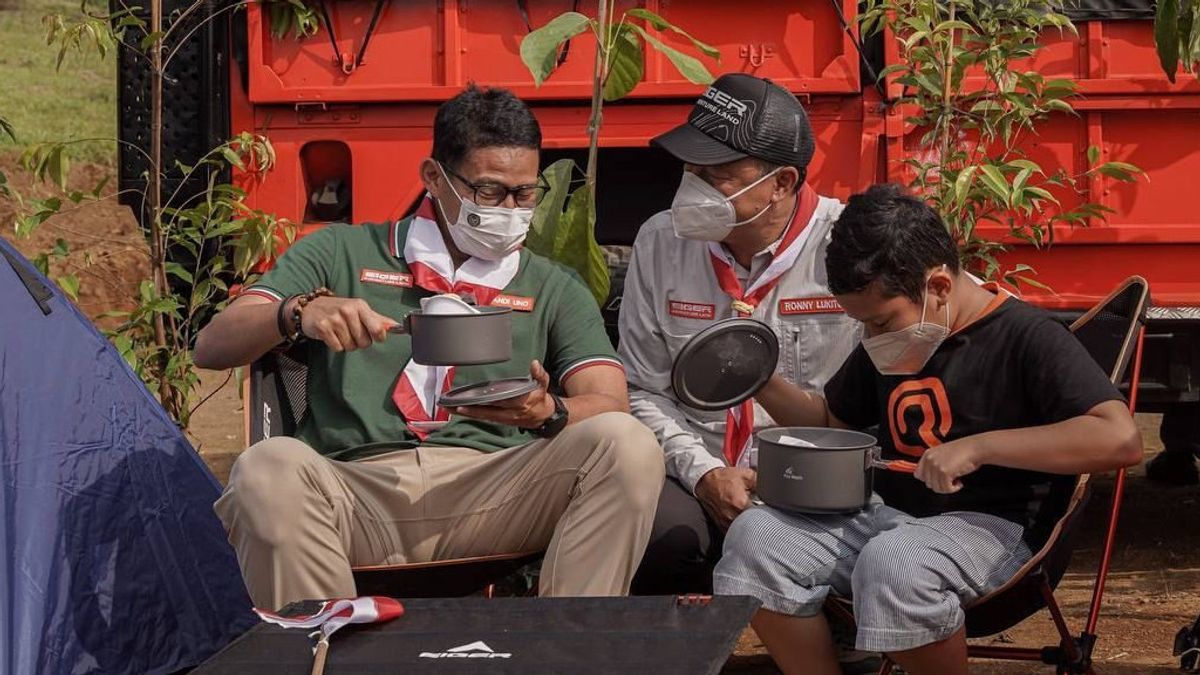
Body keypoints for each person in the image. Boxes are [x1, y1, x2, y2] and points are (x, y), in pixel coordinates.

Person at [194, 84, 664, 610]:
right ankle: (322, 650)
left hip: (496, 491)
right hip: (354, 490)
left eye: (525, 193)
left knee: (627, 445)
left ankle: (567, 651)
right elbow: (212, 345)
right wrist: (298, 312)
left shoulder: (551, 285)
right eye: (489, 192)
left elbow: (609, 401)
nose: (510, 209)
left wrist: (549, 411)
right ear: (434, 178)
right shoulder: (339, 250)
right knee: (265, 469)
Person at [712, 184, 1144, 675]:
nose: (871, 338)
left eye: (878, 322)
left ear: (938, 287)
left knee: (894, 561)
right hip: (884, 519)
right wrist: (759, 377)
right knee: (756, 537)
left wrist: (979, 448)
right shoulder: (899, 333)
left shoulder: (1027, 337)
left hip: (994, 531)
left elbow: (1120, 438)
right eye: (863, 325)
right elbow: (832, 422)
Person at [618, 73, 860, 595]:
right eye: (690, 169)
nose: (694, 188)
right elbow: (641, 389)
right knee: (659, 535)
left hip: (818, 476)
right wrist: (705, 474)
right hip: (701, 466)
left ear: (782, 184)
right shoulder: (661, 241)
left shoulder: (850, 244)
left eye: (718, 174)